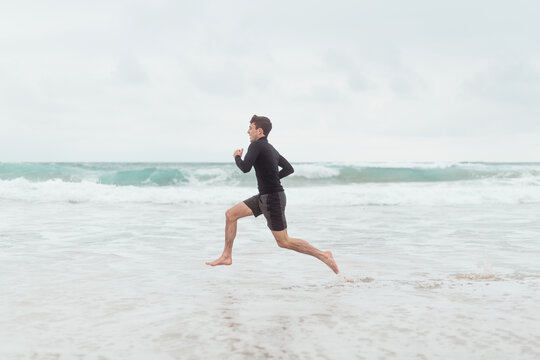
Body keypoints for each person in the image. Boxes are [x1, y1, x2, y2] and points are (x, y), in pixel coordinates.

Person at [205, 115, 339, 274]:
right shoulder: (271, 148)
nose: (248, 131)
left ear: (259, 131)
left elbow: (245, 168)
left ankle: (323, 255)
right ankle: (226, 256)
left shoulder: (256, 146)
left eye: (250, 127)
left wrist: (237, 157)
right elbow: (289, 169)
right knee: (231, 215)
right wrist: (272, 179)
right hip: (265, 196)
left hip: (272, 198)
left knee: (284, 241)